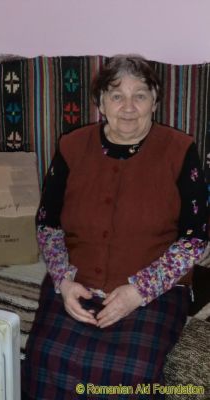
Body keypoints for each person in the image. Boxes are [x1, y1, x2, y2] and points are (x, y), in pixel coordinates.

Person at [22, 54, 208, 399]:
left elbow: (195, 238)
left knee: (129, 376)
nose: (128, 107)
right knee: (45, 358)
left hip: (154, 289)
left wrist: (138, 291)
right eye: (116, 95)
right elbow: (48, 225)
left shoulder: (180, 150)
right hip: (77, 281)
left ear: (155, 101)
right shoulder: (71, 146)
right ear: (101, 104)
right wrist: (63, 282)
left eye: (140, 95)